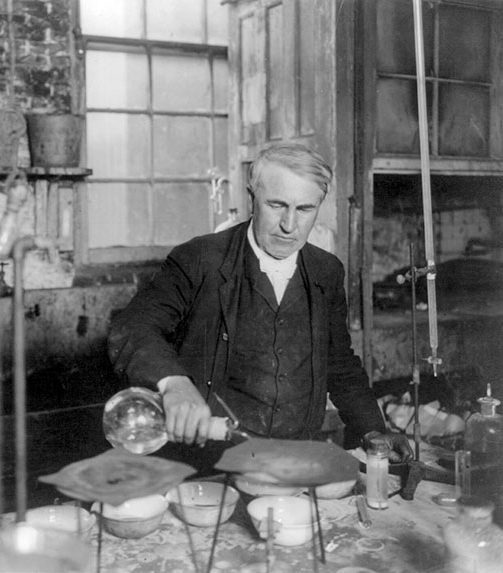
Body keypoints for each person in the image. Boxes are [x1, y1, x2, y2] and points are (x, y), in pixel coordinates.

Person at [108, 142, 411, 464]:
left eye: (305, 209)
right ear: (252, 199)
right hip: (206, 462)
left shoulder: (326, 271)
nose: (289, 225)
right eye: (277, 205)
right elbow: (133, 326)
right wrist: (173, 383)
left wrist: (371, 428)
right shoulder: (201, 258)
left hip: (291, 458)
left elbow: (338, 362)